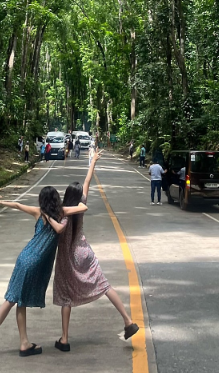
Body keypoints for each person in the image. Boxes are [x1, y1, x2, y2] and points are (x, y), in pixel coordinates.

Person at [0, 187, 88, 357]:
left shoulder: (39, 212)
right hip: (34, 263)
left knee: (16, 299)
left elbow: (18, 205)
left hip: (24, 257)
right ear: (56, 199)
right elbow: (83, 208)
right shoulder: (61, 212)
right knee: (15, 299)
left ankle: (22, 343)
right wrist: (77, 198)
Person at [53, 150, 139, 350]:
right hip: (84, 252)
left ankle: (64, 339)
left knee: (66, 296)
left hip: (67, 257)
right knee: (104, 285)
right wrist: (93, 161)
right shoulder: (81, 204)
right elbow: (87, 180)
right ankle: (127, 321)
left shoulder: (61, 212)